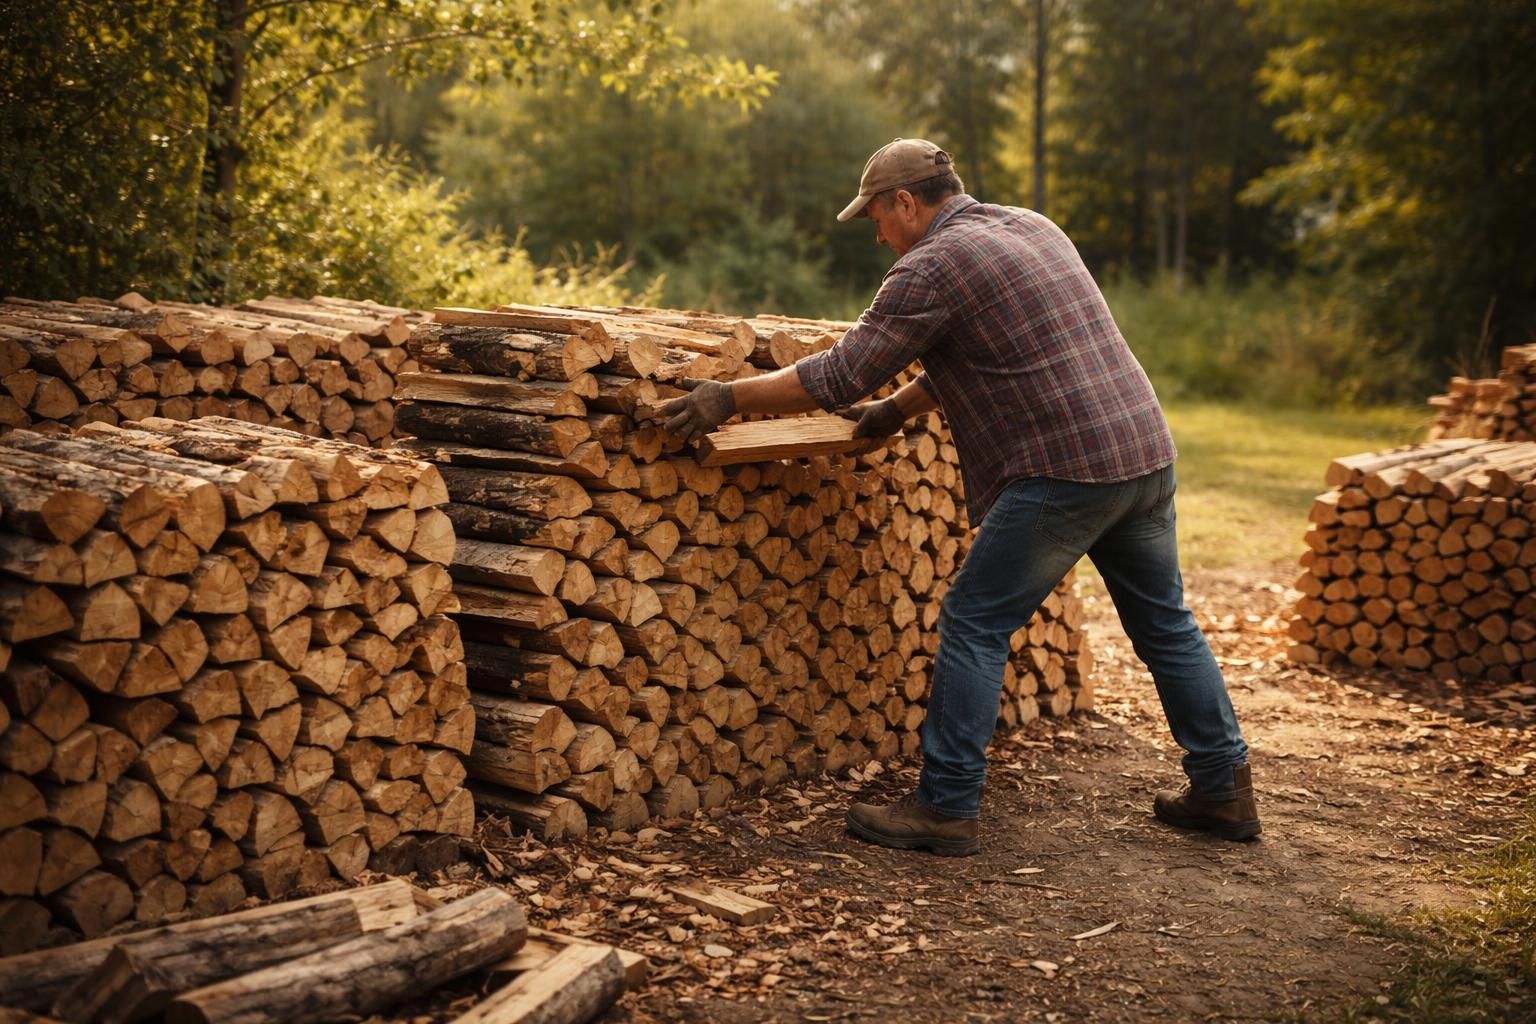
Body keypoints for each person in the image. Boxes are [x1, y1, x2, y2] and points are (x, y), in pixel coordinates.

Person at [659, 138, 1258, 856]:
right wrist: (896, 412)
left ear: (906, 203)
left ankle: (946, 807)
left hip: (1064, 470)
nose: (877, 234)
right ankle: (1225, 791)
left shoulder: (930, 266)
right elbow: (985, 347)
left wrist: (728, 395)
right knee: (1166, 625)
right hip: (1142, 452)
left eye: (877, 218)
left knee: (974, 620)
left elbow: (843, 374)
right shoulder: (1031, 226)